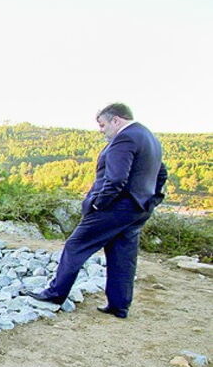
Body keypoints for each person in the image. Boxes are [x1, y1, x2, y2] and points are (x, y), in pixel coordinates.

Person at [20, 103, 167, 318]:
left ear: (116, 120)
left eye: (102, 124)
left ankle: (55, 293)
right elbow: (161, 173)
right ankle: (119, 306)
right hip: (138, 208)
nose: (101, 130)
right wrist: (152, 199)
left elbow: (116, 179)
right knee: (122, 254)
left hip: (115, 207)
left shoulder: (125, 138)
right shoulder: (149, 137)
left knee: (75, 245)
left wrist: (98, 204)